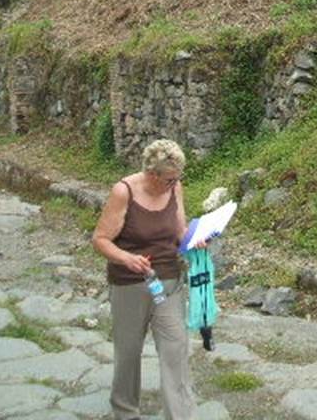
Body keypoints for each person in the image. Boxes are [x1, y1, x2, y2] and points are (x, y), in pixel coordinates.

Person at [92, 138, 196, 420]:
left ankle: (180, 415)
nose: (175, 184)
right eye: (169, 180)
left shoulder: (175, 189)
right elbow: (100, 239)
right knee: (128, 352)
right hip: (129, 282)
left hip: (168, 281)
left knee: (176, 349)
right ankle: (125, 411)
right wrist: (126, 258)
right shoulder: (123, 191)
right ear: (152, 174)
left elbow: (179, 232)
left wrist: (195, 240)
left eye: (178, 179)